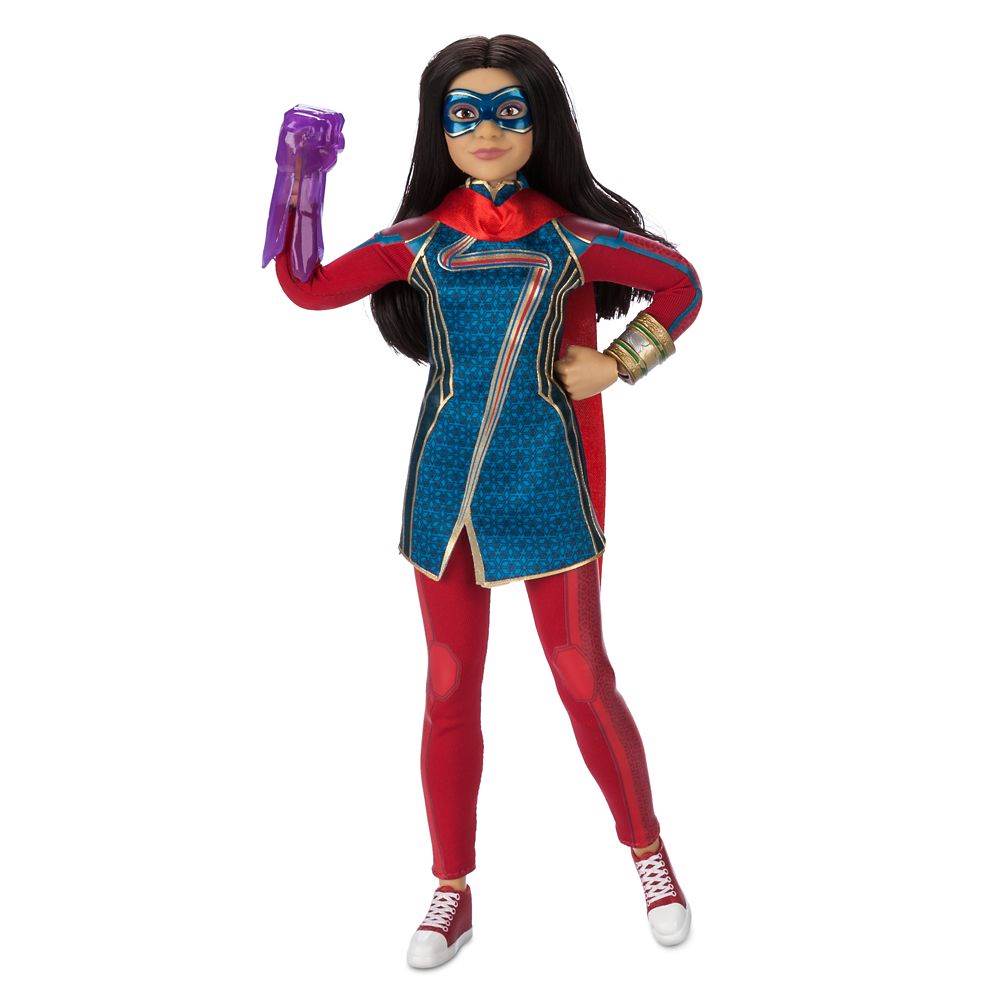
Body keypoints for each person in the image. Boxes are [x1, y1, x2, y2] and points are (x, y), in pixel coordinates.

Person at [263, 33, 703, 969]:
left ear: (541, 123)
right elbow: (306, 288)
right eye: (464, 115)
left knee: (582, 676)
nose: (488, 130)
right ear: (441, 131)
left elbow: (683, 283)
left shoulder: (570, 235)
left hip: (547, 479)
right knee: (449, 686)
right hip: (444, 490)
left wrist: (621, 363)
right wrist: (300, 178)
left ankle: (649, 853)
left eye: (509, 111)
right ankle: (451, 885)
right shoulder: (420, 241)